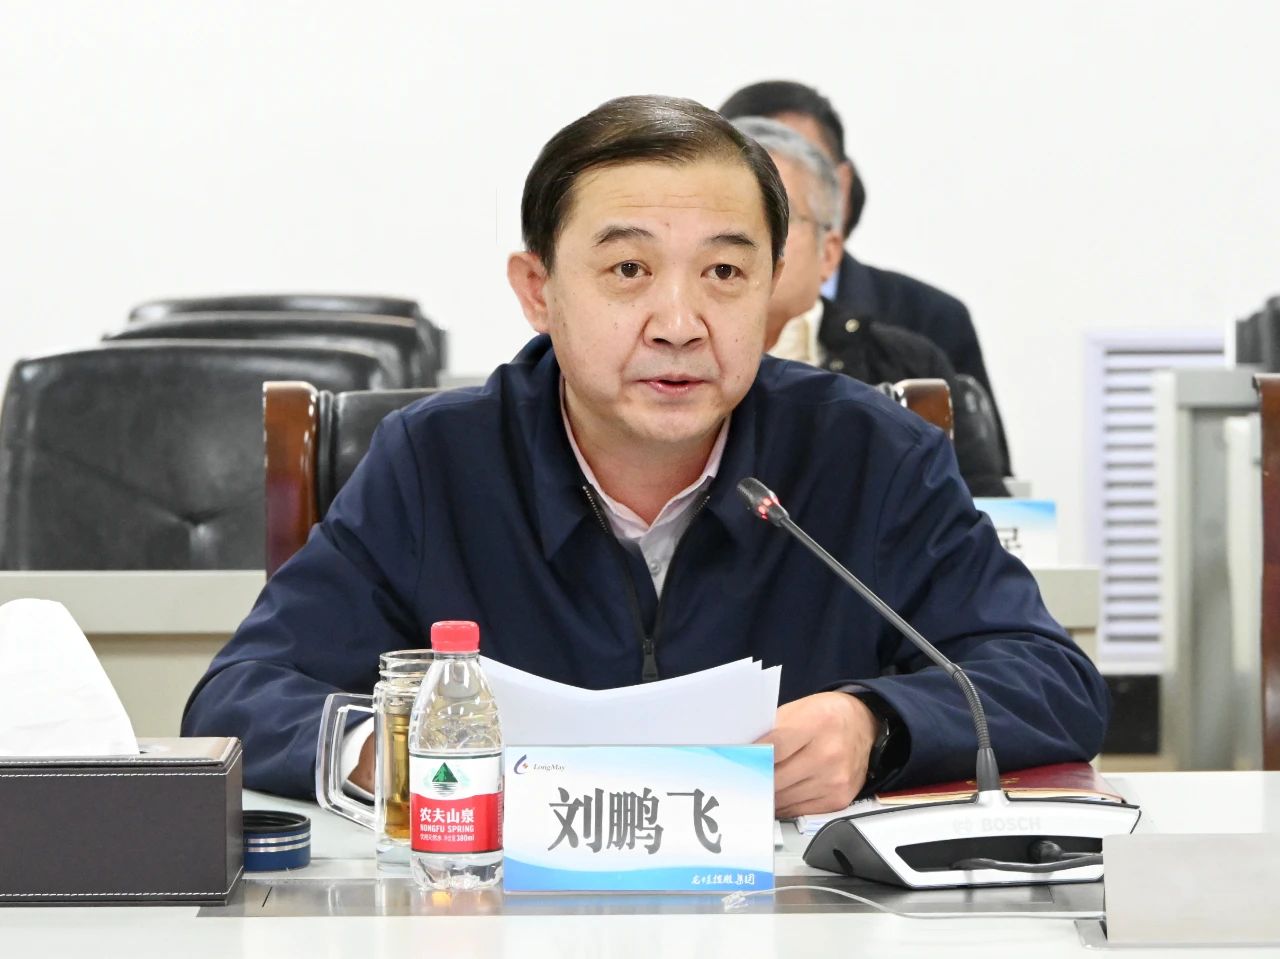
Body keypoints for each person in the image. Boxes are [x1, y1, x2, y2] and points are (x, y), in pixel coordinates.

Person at [182, 95, 1106, 818]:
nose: (679, 323)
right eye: (628, 270)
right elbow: (236, 697)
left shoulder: (871, 455)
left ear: (774, 286)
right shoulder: (436, 463)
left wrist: (878, 724)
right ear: (538, 290)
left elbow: (1050, 679)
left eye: (725, 272)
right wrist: (386, 751)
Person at [719, 80, 1013, 475]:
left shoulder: (911, 362)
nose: (747, 240)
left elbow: (982, 504)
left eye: (779, 218)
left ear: (829, 251)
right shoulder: (670, 346)